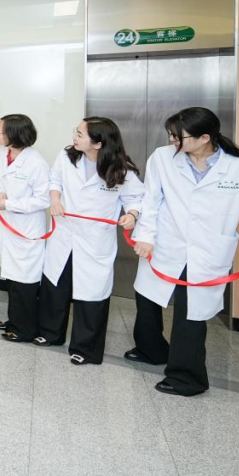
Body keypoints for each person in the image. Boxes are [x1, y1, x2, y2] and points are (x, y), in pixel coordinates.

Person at [127, 107, 239, 396]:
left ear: (204, 138)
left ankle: (187, 378)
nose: (172, 141)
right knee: (147, 298)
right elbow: (152, 199)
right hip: (165, 242)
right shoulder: (162, 157)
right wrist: (146, 235)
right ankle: (151, 350)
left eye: (179, 136)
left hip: (207, 250)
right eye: (171, 135)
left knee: (191, 312)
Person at [37, 117, 143, 365]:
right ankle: (50, 334)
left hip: (95, 240)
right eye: (76, 131)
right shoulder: (67, 157)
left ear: (97, 143)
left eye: (80, 134)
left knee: (92, 294)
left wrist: (131, 215)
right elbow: (55, 180)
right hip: (64, 234)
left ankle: (85, 349)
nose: (74, 137)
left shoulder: (121, 169)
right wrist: (55, 200)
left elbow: (137, 199)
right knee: (56, 285)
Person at [0, 114, 50, 342]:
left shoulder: (36, 163)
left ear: (14, 134)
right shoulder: (2, 154)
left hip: (26, 230)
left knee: (25, 281)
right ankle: (14, 321)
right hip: (9, 226)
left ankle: (24, 329)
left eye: (0, 130)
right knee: (12, 279)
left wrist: (9, 204)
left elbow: (43, 199)